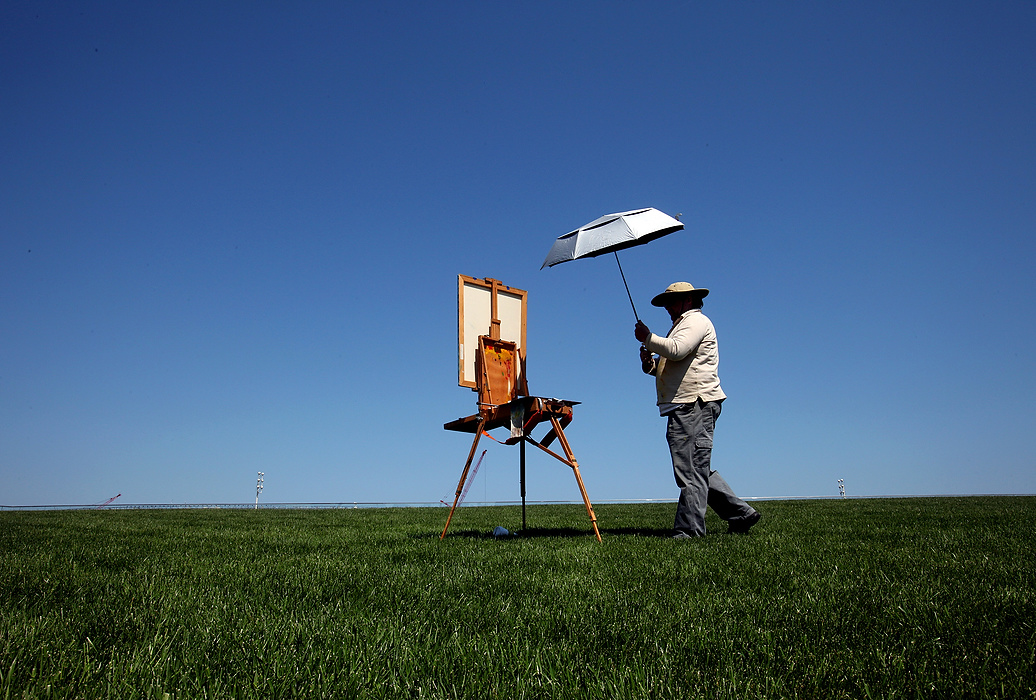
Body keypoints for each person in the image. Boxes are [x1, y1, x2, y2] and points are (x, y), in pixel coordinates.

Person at [634, 282, 760, 538]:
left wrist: (648, 337)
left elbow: (677, 351)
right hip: (690, 403)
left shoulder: (695, 322)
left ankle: (689, 531)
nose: (668, 307)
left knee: (690, 469)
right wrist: (650, 364)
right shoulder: (682, 326)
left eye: (672, 302)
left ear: (688, 301)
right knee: (696, 467)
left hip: (693, 403)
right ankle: (741, 514)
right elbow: (672, 362)